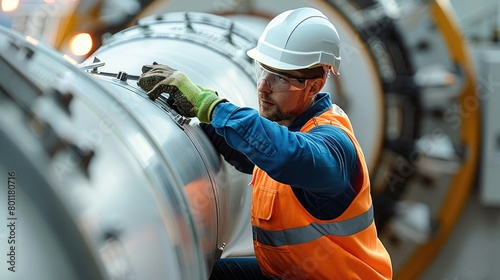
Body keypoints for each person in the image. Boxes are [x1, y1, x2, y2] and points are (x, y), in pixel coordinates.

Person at [137, 7, 392, 280]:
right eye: (262, 70)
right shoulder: (291, 130)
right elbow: (252, 149)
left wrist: (208, 105)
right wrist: (200, 121)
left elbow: (287, 156)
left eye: (280, 78)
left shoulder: (332, 146)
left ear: (314, 87)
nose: (264, 87)